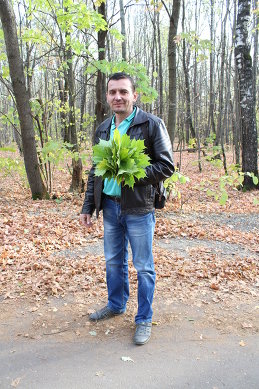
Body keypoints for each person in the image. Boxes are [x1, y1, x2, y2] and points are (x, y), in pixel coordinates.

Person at [80, 72, 174, 345]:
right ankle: (116, 304)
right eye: (112, 92)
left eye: (123, 91)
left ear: (134, 95)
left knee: (143, 266)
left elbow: (166, 166)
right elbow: (95, 171)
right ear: (107, 96)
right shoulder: (103, 129)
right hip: (109, 207)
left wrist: (131, 173)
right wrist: (89, 205)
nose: (117, 97)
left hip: (139, 209)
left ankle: (143, 319)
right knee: (112, 261)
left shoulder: (151, 125)